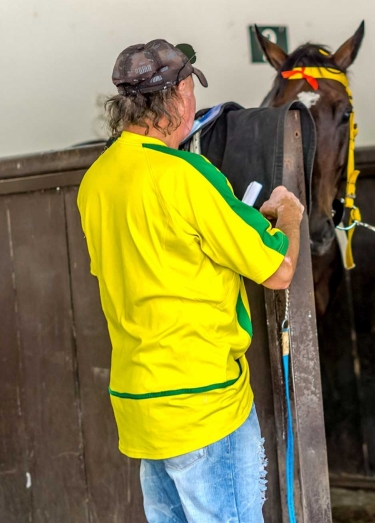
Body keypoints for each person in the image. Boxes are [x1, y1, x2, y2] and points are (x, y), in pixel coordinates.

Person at [77, 39, 304, 523]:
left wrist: (238, 220)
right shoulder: (187, 174)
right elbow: (278, 270)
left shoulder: (97, 180)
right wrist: (289, 215)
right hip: (203, 403)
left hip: (142, 406)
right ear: (179, 95)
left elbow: (159, 253)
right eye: (190, 90)